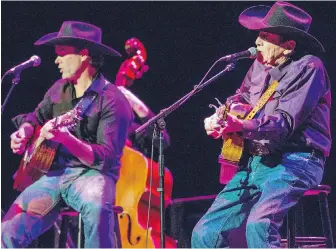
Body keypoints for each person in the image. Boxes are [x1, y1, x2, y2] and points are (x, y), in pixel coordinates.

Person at [191, 2, 331, 248]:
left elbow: (283, 123)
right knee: (205, 232)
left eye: (265, 36)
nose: (257, 41)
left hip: (296, 160)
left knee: (260, 225)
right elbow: (241, 98)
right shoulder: (258, 66)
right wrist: (221, 117)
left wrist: (241, 126)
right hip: (256, 161)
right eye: (259, 34)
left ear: (288, 46)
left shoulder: (309, 67)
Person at [1, 21, 134, 248]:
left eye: (62, 54)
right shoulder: (59, 89)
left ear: (83, 55)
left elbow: (106, 158)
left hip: (91, 174)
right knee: (7, 231)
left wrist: (67, 140)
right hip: (53, 174)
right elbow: (35, 117)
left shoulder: (113, 100)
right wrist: (24, 131)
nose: (56, 60)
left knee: (97, 206)